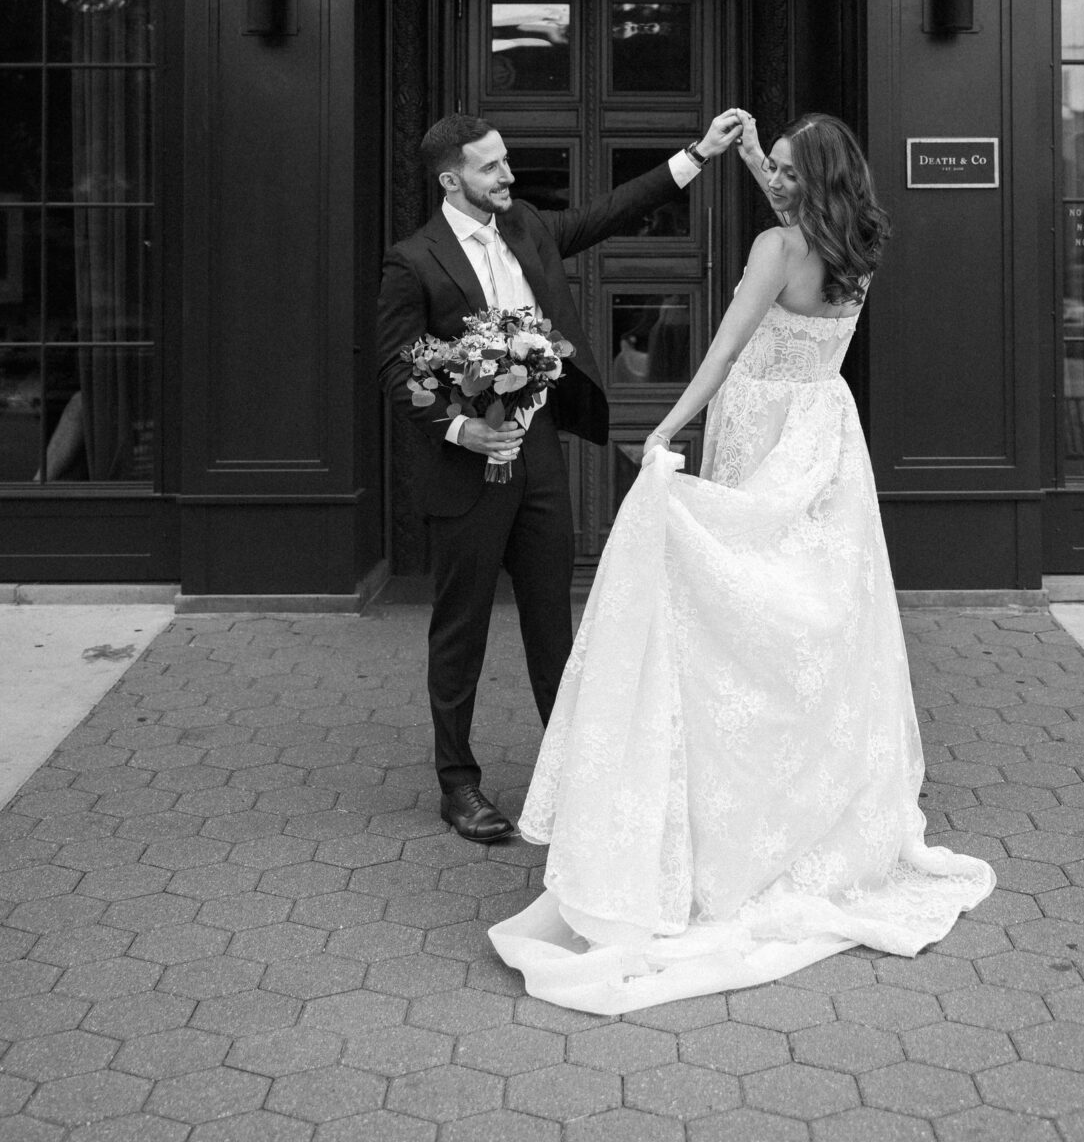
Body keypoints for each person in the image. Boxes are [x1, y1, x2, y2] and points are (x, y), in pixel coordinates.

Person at [490, 111, 996, 1012]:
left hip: (761, 425)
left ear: (816, 179)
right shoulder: (858, 241)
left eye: (793, 171)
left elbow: (724, 349)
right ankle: (810, 804)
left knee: (729, 612)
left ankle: (727, 820)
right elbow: (795, 209)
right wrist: (757, 148)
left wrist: (667, 428)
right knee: (811, 621)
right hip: (826, 438)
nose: (782, 181)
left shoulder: (774, 248)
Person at [376, 106, 745, 843]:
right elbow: (396, 366)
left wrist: (698, 154)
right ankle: (459, 785)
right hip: (465, 464)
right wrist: (461, 427)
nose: (507, 173)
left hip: (539, 453)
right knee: (461, 629)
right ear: (453, 179)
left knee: (554, 619)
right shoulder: (412, 260)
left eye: (505, 159)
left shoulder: (526, 226)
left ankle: (573, 768)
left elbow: (607, 212)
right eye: (490, 165)